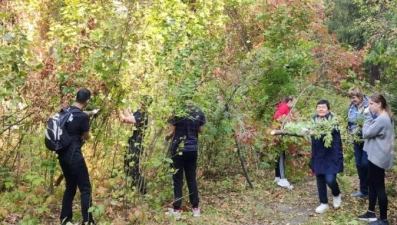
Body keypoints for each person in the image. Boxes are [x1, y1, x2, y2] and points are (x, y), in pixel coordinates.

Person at [58, 88, 98, 225]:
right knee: (85, 188)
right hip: (74, 157)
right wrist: (87, 133)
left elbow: (79, 114)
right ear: (87, 101)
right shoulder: (82, 117)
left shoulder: (65, 110)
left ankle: (65, 219)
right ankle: (88, 220)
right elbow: (86, 136)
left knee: (70, 187)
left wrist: (92, 112)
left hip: (62, 155)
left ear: (77, 98)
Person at [357, 93, 395, 225]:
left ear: (379, 104)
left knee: (379, 187)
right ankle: (371, 213)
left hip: (378, 158)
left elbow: (366, 134)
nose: (369, 106)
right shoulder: (384, 117)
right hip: (376, 156)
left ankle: (384, 220)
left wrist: (367, 117)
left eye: (371, 103)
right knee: (372, 184)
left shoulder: (382, 119)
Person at [164, 103, 206, 218]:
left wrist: (166, 138)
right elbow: (201, 130)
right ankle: (195, 208)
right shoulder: (198, 111)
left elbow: (171, 132)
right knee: (191, 178)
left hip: (178, 150)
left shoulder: (177, 110)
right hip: (192, 150)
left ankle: (177, 210)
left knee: (177, 179)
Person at [310, 99, 343, 214]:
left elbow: (328, 130)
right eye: (319, 107)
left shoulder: (333, 120)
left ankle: (336, 193)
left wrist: (314, 131)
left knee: (330, 179)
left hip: (331, 155)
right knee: (320, 179)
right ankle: (323, 203)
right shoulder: (314, 119)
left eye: (323, 107)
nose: (321, 109)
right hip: (318, 155)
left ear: (328, 109)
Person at [119, 95, 153, 194]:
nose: (141, 102)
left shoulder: (143, 115)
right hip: (132, 142)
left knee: (133, 168)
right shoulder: (139, 112)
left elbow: (125, 119)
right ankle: (132, 190)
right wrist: (122, 105)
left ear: (146, 104)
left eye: (143, 101)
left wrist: (119, 112)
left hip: (137, 144)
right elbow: (129, 116)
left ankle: (143, 190)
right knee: (127, 166)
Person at [347, 87, 372, 198]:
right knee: (359, 164)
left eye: (354, 97)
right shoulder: (351, 107)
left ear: (360, 96)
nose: (353, 100)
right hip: (356, 139)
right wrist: (348, 130)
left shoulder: (369, 105)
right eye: (351, 98)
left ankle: (371, 188)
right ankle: (363, 190)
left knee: (366, 163)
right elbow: (350, 122)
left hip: (368, 139)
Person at [273, 95, 295, 189]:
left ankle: (277, 177)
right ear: (290, 101)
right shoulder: (284, 106)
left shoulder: (285, 107)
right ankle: (282, 179)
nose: (294, 104)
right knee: (281, 155)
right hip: (279, 133)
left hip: (279, 133)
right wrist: (286, 120)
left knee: (278, 155)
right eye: (294, 101)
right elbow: (276, 116)